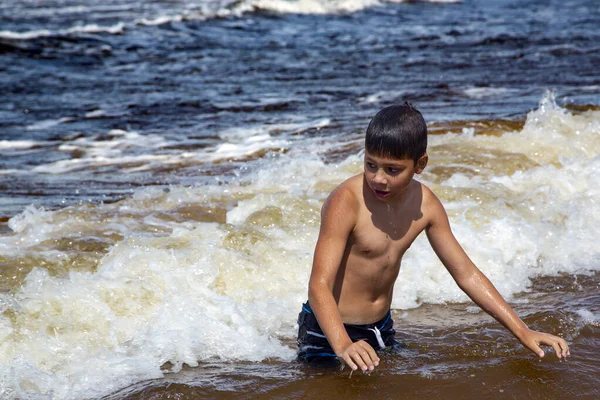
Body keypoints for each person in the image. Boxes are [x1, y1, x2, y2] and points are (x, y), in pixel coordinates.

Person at [296, 103, 570, 372]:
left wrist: (522, 331)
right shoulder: (346, 201)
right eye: (371, 165)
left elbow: (465, 273)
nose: (378, 178)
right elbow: (319, 284)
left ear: (420, 164)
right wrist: (343, 344)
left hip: (381, 327)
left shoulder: (426, 205)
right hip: (329, 329)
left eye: (392, 170)